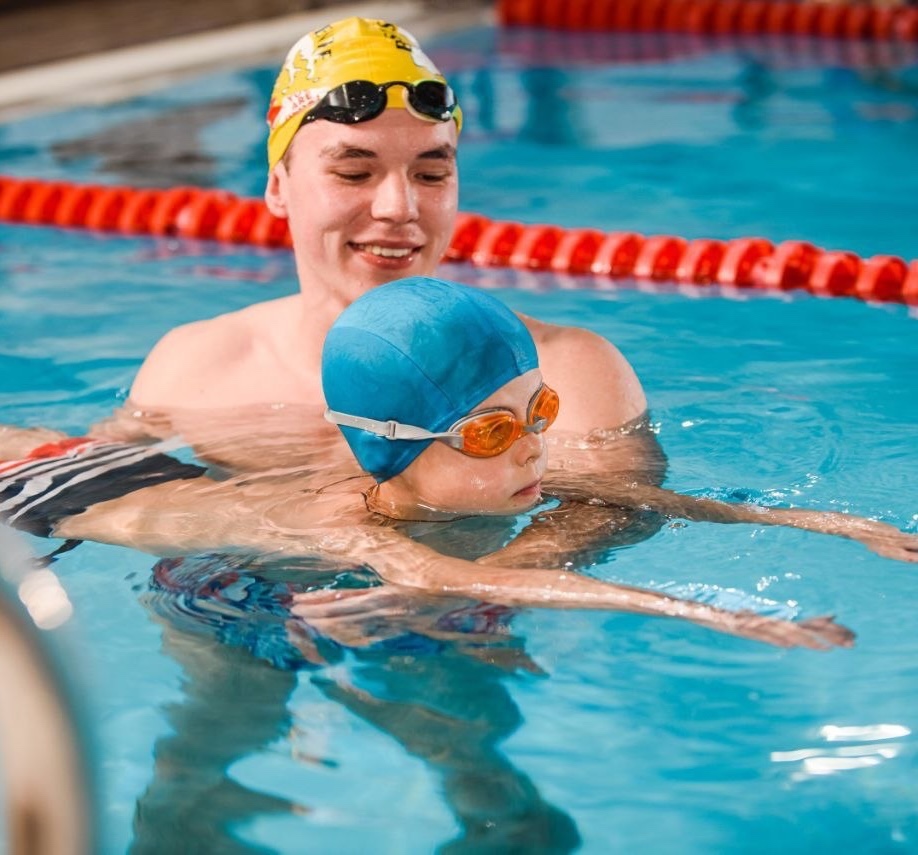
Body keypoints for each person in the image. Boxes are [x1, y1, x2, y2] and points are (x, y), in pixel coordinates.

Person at [1, 275, 883, 650]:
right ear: (397, 453)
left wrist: (836, 524)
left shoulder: (468, 469)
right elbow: (523, 585)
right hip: (40, 500)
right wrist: (722, 612)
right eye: (495, 432)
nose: (536, 443)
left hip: (99, 468)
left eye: (539, 412)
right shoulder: (362, 526)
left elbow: (673, 498)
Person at [100, 16, 646, 453]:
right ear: (277, 187)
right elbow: (79, 491)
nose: (398, 208)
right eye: (353, 173)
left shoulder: (563, 375)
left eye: (431, 174)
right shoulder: (195, 368)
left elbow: (603, 527)